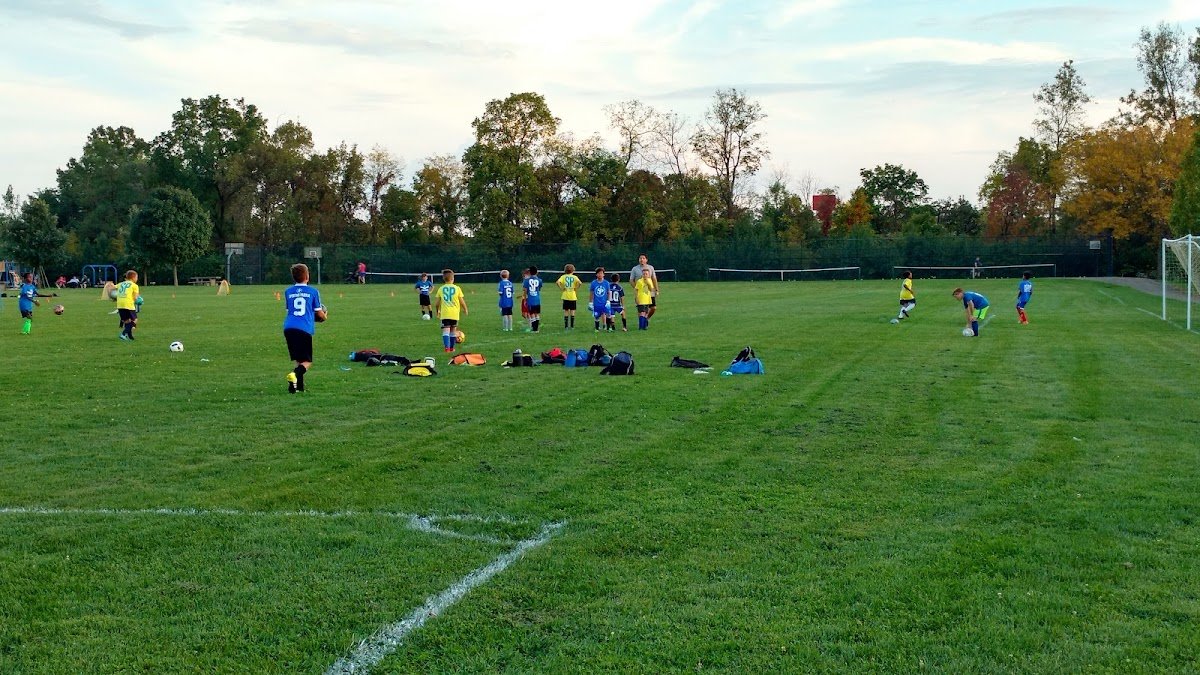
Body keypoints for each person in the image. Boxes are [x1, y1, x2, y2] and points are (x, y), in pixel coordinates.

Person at [283, 263, 324, 393]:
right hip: (303, 329)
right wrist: (325, 315)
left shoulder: (288, 291)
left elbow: (291, 311)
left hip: (289, 327)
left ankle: (298, 388)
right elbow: (319, 314)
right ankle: (294, 374)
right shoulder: (313, 291)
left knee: (299, 360)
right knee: (307, 361)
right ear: (307, 276)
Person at [435, 268, 468, 352]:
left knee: (446, 331)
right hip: (455, 314)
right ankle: (452, 348)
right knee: (453, 331)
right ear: (453, 278)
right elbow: (461, 301)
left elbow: (437, 303)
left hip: (445, 314)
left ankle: (447, 348)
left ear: (443, 279)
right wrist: (465, 309)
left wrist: (437, 311)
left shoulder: (441, 289)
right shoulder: (457, 288)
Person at [630, 253, 660, 318]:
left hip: (649, 290)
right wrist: (636, 288)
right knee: (641, 310)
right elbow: (631, 280)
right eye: (640, 258)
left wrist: (656, 290)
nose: (642, 259)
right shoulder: (635, 269)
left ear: (646, 260)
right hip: (640, 292)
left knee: (653, 308)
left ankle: (646, 318)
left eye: (643, 258)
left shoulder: (650, 268)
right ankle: (642, 322)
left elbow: (654, 279)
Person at [115, 270, 140, 340]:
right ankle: (123, 334)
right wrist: (139, 300)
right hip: (128, 304)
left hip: (120, 304)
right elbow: (135, 298)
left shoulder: (121, 284)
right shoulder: (134, 286)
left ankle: (129, 336)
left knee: (127, 321)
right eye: (137, 277)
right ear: (133, 278)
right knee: (134, 320)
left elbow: (113, 288)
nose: (137, 279)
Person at [556, 263, 582, 330]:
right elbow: (580, 283)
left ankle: (566, 326)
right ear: (573, 270)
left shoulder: (563, 277)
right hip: (573, 296)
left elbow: (557, 282)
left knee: (566, 310)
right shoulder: (575, 277)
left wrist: (561, 288)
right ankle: (572, 326)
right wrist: (576, 288)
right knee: (572, 311)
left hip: (565, 296)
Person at [589, 268, 611, 332]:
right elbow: (591, 293)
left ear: (603, 274)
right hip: (596, 303)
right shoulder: (593, 283)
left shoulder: (606, 283)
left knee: (608, 314)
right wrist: (590, 302)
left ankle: (608, 328)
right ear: (596, 274)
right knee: (596, 316)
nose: (600, 275)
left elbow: (609, 292)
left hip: (604, 302)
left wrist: (608, 301)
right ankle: (597, 328)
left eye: (601, 273)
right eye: (598, 273)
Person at [523, 266, 543, 333]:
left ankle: (534, 329)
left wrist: (525, 299)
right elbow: (539, 289)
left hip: (530, 299)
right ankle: (536, 329)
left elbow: (525, 291)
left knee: (532, 314)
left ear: (529, 272)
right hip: (537, 299)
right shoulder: (540, 280)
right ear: (537, 272)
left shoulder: (526, 280)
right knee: (537, 314)